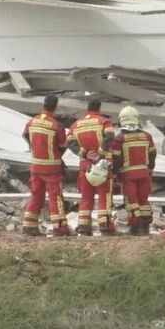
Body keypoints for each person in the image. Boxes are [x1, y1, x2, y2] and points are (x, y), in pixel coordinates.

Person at [21, 94, 70, 237]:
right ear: (55, 107)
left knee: (36, 195)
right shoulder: (56, 125)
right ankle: (60, 229)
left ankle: (29, 227)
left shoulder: (32, 121)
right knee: (56, 198)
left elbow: (25, 135)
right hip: (52, 169)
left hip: (35, 167)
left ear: (44, 104)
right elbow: (63, 144)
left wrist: (34, 149)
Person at [67, 97, 114, 236]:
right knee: (104, 196)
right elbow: (110, 136)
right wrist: (99, 153)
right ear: (99, 108)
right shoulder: (105, 121)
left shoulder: (76, 125)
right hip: (103, 165)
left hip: (85, 166)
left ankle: (83, 226)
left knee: (86, 197)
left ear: (87, 108)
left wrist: (86, 154)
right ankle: (105, 225)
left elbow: (69, 143)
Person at [106, 106, 157, 235]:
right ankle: (145, 227)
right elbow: (152, 154)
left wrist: (115, 173)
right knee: (143, 200)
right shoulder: (147, 136)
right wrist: (150, 168)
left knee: (131, 201)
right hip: (144, 173)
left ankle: (135, 227)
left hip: (128, 174)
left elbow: (117, 158)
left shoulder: (119, 138)